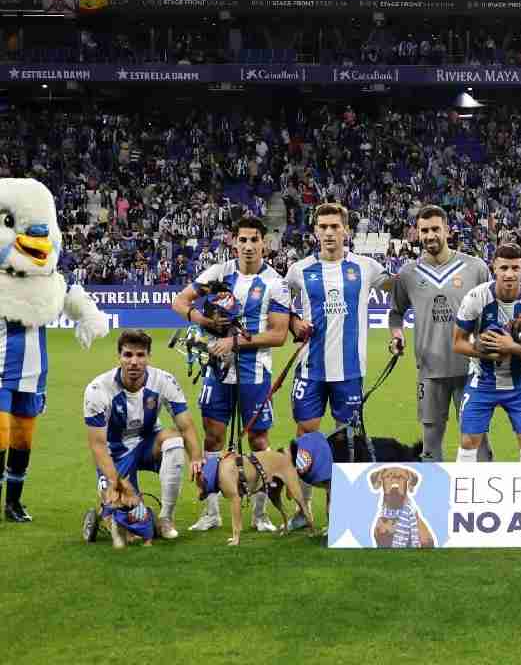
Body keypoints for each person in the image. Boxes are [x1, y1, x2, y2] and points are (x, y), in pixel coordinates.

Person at [169, 216, 291, 533]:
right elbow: (179, 302)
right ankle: (211, 513)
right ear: (233, 241)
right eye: (243, 239)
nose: (248, 245)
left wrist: (234, 341)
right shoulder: (219, 274)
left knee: (259, 439)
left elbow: (278, 335)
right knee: (212, 437)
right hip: (217, 371)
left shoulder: (276, 283)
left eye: (254, 240)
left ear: (264, 243)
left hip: (255, 373)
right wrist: (203, 321)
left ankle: (260, 514)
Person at [284, 203, 390, 529]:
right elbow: (281, 307)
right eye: (323, 227)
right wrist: (293, 322)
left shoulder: (367, 267)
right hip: (311, 369)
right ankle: (304, 509)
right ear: (315, 231)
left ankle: (340, 511)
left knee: (347, 440)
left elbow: (398, 290)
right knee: (306, 437)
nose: (329, 232)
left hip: (349, 371)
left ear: (346, 230)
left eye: (335, 226)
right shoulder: (298, 270)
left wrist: (398, 328)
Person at [388, 205, 491, 461]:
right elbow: (395, 313)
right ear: (417, 233)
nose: (430, 235)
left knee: (477, 439)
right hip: (430, 370)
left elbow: (491, 312)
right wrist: (397, 336)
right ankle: (435, 499)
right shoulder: (408, 274)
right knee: (430, 443)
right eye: (424, 230)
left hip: (471, 368)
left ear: (447, 230)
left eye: (435, 229)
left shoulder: (475, 268)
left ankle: (486, 498)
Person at [83, 330, 204, 540]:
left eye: (140, 355)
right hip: (115, 453)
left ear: (148, 357)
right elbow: (98, 446)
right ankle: (110, 512)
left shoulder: (163, 381)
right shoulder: (98, 390)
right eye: (128, 355)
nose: (134, 362)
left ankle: (166, 518)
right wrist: (116, 482)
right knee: (130, 529)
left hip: (148, 443)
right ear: (119, 357)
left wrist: (195, 458)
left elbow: (185, 426)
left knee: (175, 441)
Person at [452, 244, 521, 461]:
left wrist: (512, 347)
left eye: (515, 268)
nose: (509, 274)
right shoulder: (475, 297)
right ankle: (465, 493)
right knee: (468, 442)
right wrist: (486, 352)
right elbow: (458, 343)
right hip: (482, 381)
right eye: (503, 268)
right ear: (493, 268)